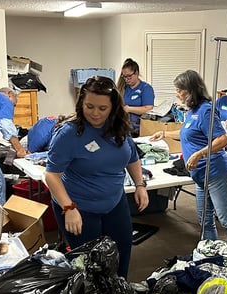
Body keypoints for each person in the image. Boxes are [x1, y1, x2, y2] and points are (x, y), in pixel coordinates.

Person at [45, 76, 149, 279]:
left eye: (103, 108)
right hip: (79, 207)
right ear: (81, 103)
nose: (95, 113)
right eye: (89, 106)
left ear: (113, 107)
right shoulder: (69, 133)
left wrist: (140, 184)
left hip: (114, 203)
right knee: (91, 267)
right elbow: (51, 175)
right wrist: (68, 208)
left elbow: (132, 157)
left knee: (121, 256)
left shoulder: (118, 125)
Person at [149, 70, 227, 248]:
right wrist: (164, 133)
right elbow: (186, 133)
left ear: (191, 90)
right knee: (205, 220)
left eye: (180, 90)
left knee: (226, 219)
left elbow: (224, 139)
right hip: (200, 174)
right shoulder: (192, 111)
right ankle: (209, 255)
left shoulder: (206, 110)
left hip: (215, 171)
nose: (177, 94)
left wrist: (199, 154)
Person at [120, 58, 155, 136]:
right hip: (124, 126)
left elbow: (149, 108)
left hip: (139, 128)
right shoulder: (124, 88)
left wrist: (128, 109)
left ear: (136, 73)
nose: (126, 79)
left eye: (129, 76)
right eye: (124, 77)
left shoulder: (145, 88)